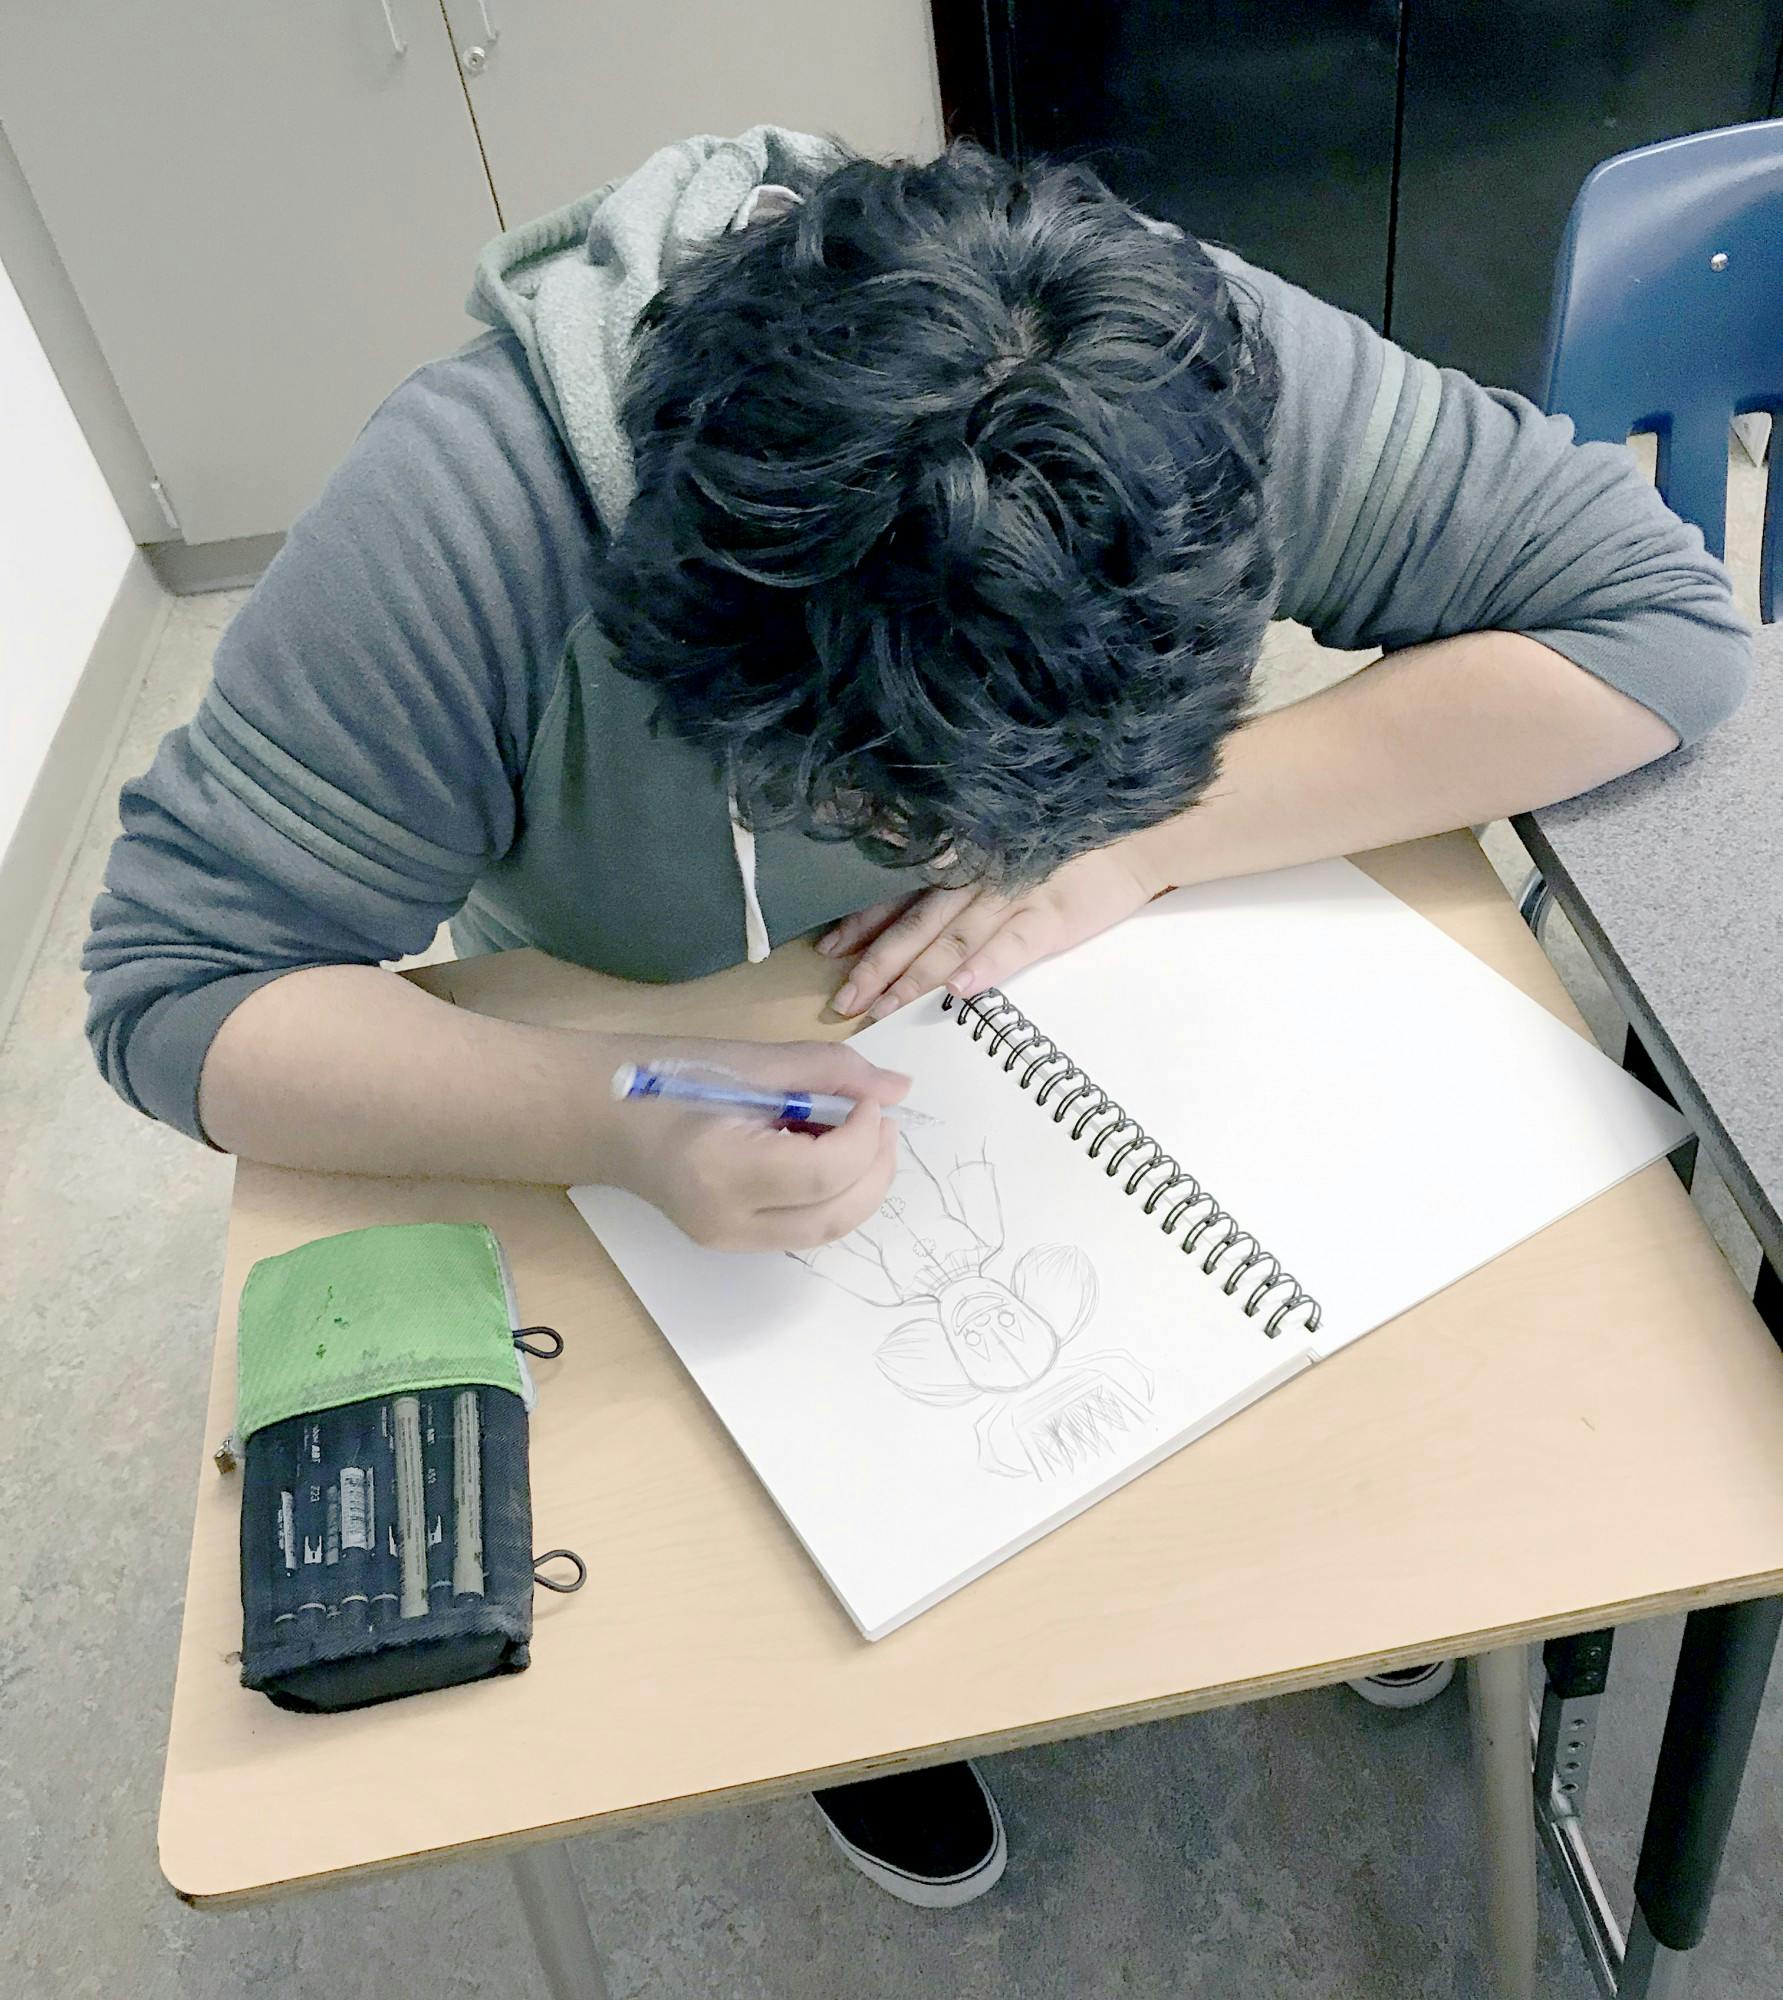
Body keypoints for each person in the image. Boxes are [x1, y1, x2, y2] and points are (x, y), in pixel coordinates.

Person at [84, 127, 1750, 1907]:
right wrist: (615, 1110)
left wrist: (1145, 843)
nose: (965, 857)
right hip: (650, 1042)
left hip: (1104, 1030)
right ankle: (879, 1718)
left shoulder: (1167, 384)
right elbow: (180, 994)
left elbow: (1662, 628)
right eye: (901, 815)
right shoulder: (470, 516)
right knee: (811, 1560)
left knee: (1299, 1474)